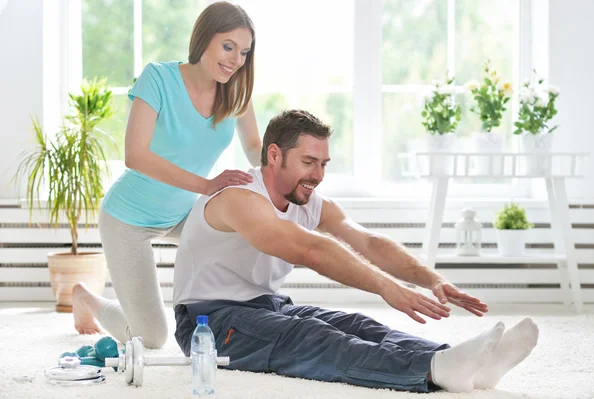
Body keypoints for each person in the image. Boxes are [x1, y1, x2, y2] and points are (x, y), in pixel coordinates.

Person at [172, 109, 540, 393]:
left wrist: (433, 279)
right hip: (210, 323)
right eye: (308, 162)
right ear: (273, 155)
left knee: (359, 325)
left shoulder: (306, 198)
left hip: (267, 306)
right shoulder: (240, 198)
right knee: (315, 338)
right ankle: (431, 370)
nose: (318, 175)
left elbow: (367, 242)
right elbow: (308, 249)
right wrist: (386, 288)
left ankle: (470, 364)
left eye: (323, 164)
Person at [71, 1, 261, 349]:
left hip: (183, 214)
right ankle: (88, 300)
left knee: (244, 235)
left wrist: (284, 162)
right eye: (228, 46)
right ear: (204, 38)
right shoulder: (157, 78)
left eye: (244, 52)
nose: (236, 60)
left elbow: (253, 146)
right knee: (152, 338)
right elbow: (135, 155)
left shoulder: (235, 92)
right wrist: (207, 185)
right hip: (127, 218)